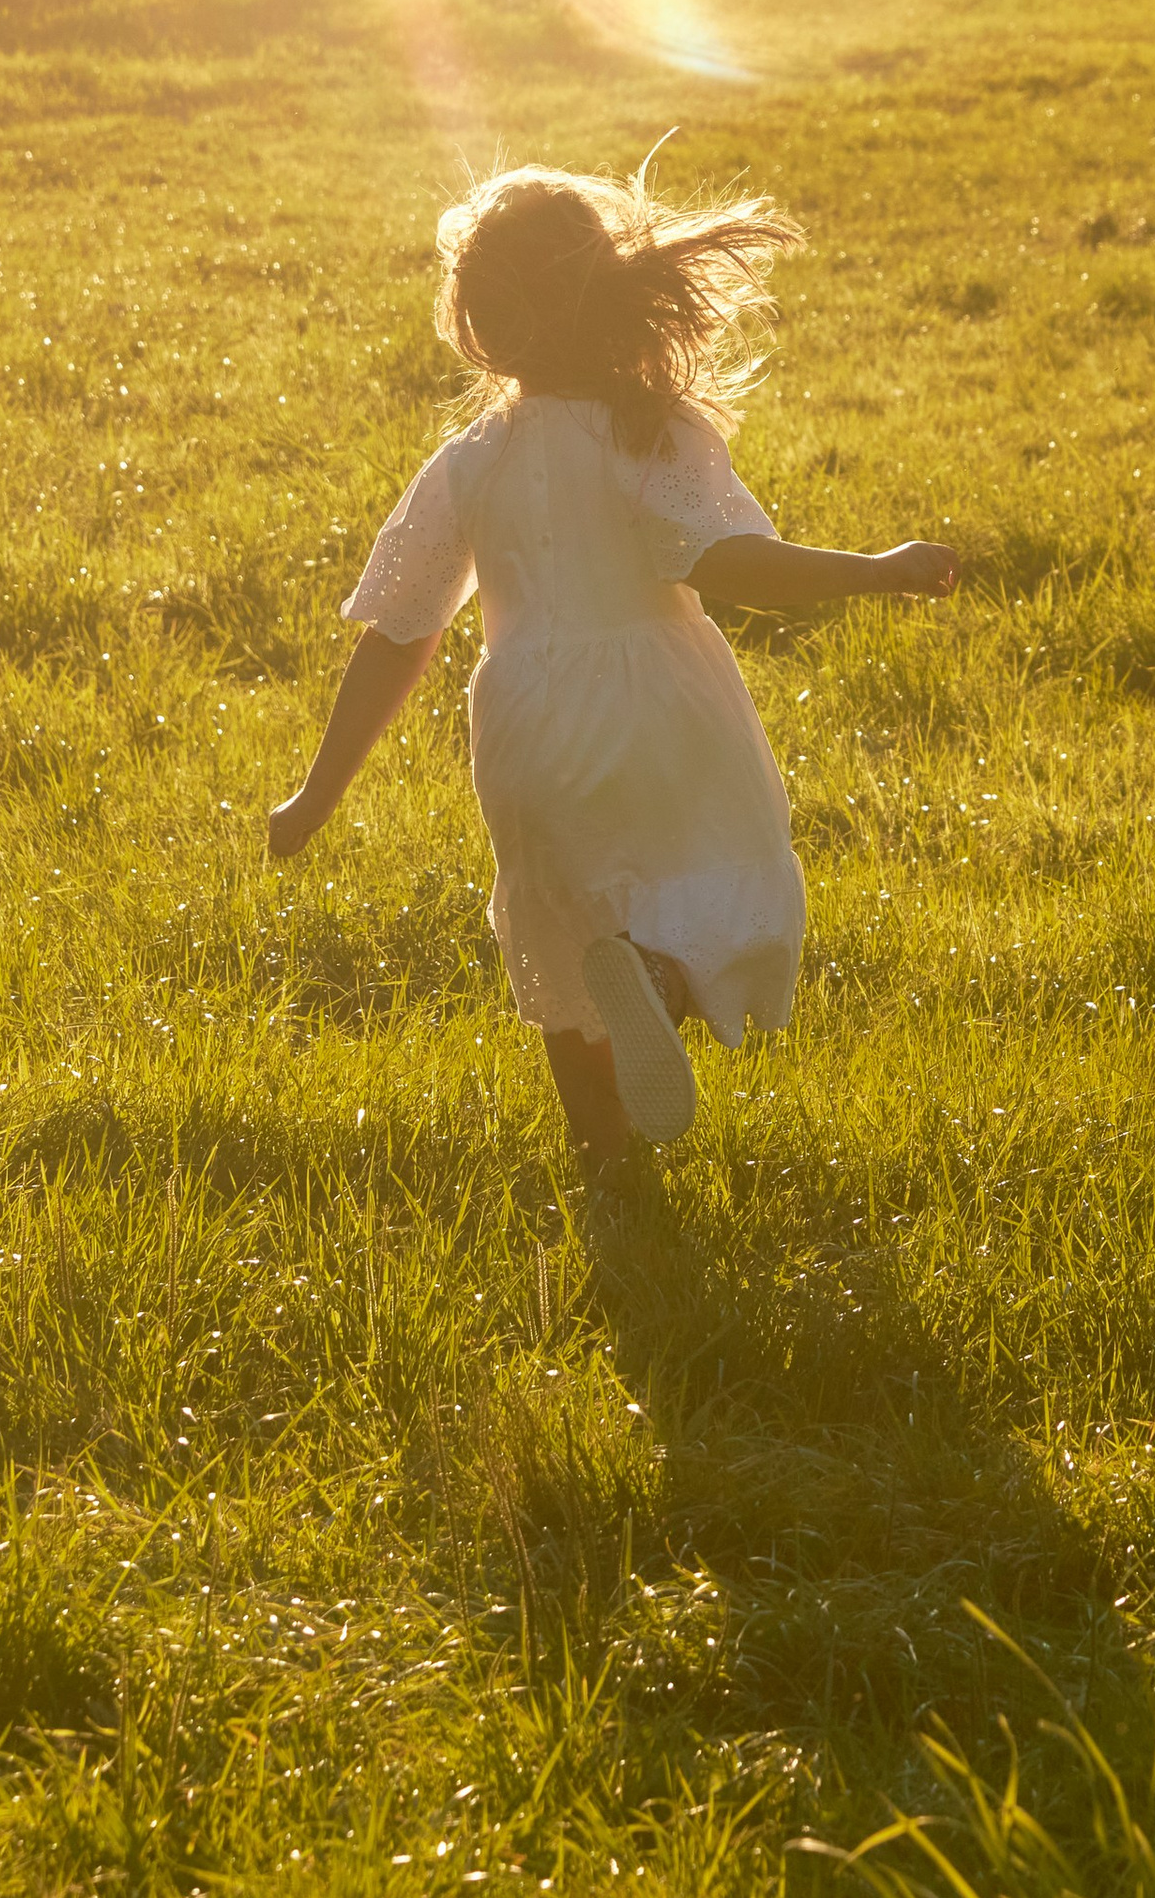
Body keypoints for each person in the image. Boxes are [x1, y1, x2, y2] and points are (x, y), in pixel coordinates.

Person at [266, 162, 957, 1171]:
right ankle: (660, 986)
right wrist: (874, 568)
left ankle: (607, 1162)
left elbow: (399, 633)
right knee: (717, 887)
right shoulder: (650, 431)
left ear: (478, 326)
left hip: (525, 725)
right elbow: (728, 562)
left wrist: (314, 794)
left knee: (558, 932)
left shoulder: (470, 460)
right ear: (617, 299)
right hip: (662, 712)